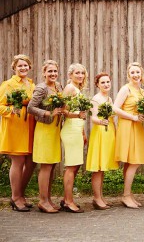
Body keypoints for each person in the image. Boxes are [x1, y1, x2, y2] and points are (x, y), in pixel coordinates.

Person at [0, 54, 35, 212]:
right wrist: (11, 110)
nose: (23, 68)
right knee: (18, 162)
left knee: (31, 163)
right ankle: (15, 197)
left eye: (25, 65)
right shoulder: (8, 84)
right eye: (20, 65)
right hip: (16, 126)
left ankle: (21, 195)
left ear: (29, 67)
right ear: (14, 67)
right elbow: (0, 106)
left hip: (30, 126)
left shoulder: (32, 84)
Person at [28, 60, 63, 213]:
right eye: (50, 71)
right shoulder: (41, 88)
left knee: (53, 164)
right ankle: (42, 201)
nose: (53, 74)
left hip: (55, 129)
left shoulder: (58, 86)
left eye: (55, 71)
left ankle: (48, 199)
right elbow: (31, 107)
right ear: (44, 73)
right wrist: (48, 113)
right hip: (44, 130)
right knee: (46, 165)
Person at [114, 62, 144, 209]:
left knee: (130, 162)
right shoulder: (125, 89)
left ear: (141, 74)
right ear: (129, 75)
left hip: (138, 127)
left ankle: (128, 194)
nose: (135, 75)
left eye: (138, 72)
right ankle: (126, 195)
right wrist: (133, 117)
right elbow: (115, 108)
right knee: (133, 161)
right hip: (127, 126)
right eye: (132, 72)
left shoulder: (143, 92)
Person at [86, 73, 119, 210]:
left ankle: (101, 197)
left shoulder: (110, 98)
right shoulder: (96, 99)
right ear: (97, 85)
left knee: (103, 167)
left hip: (109, 131)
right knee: (98, 168)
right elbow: (92, 118)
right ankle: (96, 198)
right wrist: (101, 121)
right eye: (103, 82)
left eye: (108, 82)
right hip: (100, 132)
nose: (106, 84)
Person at [60, 63, 88, 213]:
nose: (80, 75)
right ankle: (69, 202)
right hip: (70, 129)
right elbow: (63, 111)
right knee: (71, 166)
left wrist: (83, 132)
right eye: (77, 73)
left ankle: (66, 198)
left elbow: (80, 114)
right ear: (70, 74)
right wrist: (77, 115)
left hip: (77, 129)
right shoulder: (70, 88)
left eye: (82, 73)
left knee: (75, 166)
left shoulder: (78, 89)